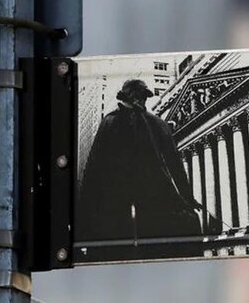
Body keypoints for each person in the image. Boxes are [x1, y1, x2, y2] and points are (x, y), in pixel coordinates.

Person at [78, 79, 203, 260]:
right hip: (118, 196)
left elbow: (175, 164)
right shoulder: (110, 122)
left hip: (150, 193)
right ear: (129, 96)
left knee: (157, 241)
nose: (142, 100)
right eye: (139, 96)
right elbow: (94, 167)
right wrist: (87, 207)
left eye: (144, 97)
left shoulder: (156, 124)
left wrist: (188, 197)